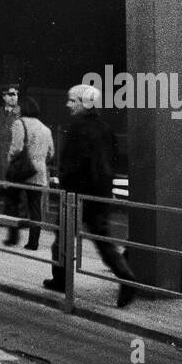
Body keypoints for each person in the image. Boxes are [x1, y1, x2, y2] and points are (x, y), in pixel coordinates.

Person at [45, 83, 139, 307]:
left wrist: (64, 184)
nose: (68, 105)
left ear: (85, 103)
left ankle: (61, 280)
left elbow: (71, 164)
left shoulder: (77, 129)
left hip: (76, 195)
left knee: (62, 240)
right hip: (100, 194)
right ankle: (127, 278)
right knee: (104, 243)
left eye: (73, 101)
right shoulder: (106, 129)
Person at [1, 102, 54, 250]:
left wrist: (10, 160)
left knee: (13, 203)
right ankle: (33, 242)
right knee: (35, 207)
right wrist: (40, 161)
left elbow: (16, 148)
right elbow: (51, 153)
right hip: (39, 173)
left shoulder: (19, 123)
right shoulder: (46, 129)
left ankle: (13, 237)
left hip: (21, 171)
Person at [0, 85, 23, 182]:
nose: (14, 97)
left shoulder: (21, 112)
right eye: (11, 94)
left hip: (13, 152)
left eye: (16, 94)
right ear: (4, 96)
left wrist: (13, 113)